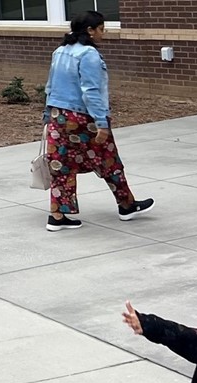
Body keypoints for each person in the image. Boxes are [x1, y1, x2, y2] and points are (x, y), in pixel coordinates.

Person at [42, 10, 153, 232]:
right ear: (90, 31)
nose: (104, 32)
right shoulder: (89, 55)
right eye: (101, 28)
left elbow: (50, 85)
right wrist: (101, 122)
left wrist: (47, 115)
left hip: (58, 115)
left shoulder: (60, 51)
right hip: (83, 117)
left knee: (61, 165)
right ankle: (126, 205)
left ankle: (57, 215)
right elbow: (91, 91)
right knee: (108, 160)